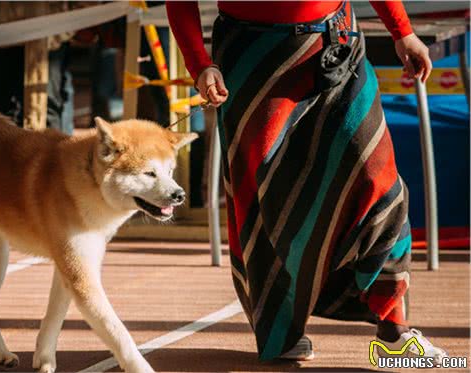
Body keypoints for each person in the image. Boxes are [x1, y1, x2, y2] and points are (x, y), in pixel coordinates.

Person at [166, 0, 446, 363]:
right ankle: (280, 332)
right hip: (253, 57)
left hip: (338, 45)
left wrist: (403, 31)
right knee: (267, 200)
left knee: (377, 178)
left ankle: (394, 326)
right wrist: (199, 64)